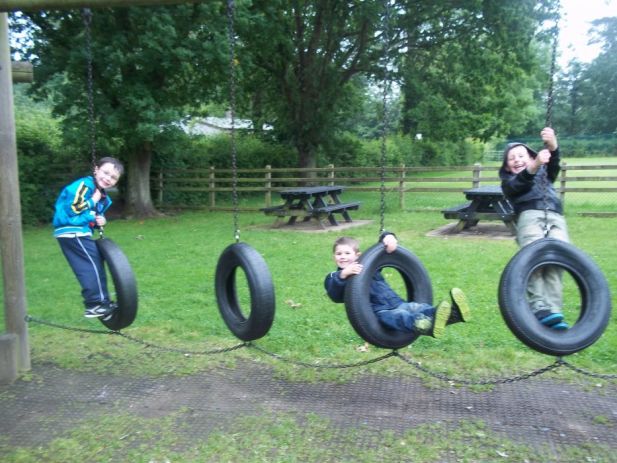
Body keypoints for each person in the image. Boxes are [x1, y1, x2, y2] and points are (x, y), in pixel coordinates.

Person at [324, 233, 470, 338]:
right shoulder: (334, 277)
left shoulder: (367, 266)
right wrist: (342, 275)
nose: (342, 256)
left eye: (347, 253)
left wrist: (388, 237)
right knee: (400, 317)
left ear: (357, 255)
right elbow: (334, 295)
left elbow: (378, 249)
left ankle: (454, 313)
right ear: (333, 257)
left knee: (419, 308)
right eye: (338, 254)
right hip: (379, 312)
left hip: (397, 302)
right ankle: (424, 326)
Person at [499, 127, 569, 330]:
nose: (517, 160)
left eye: (521, 155)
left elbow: (554, 162)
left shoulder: (545, 173)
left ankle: (554, 311)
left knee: (558, 261)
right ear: (508, 167)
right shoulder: (509, 182)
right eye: (511, 159)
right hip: (529, 216)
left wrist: (553, 145)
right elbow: (519, 184)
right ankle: (539, 306)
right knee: (534, 257)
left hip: (555, 215)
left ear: (532, 157)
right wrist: (534, 165)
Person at [53, 157, 124, 319]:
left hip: (80, 231)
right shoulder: (85, 185)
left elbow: (91, 214)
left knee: (96, 265)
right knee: (89, 267)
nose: (108, 178)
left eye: (113, 177)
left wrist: (100, 220)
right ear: (96, 169)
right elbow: (73, 208)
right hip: (73, 231)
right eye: (105, 173)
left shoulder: (100, 194)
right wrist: (93, 201)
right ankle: (95, 303)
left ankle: (102, 302)